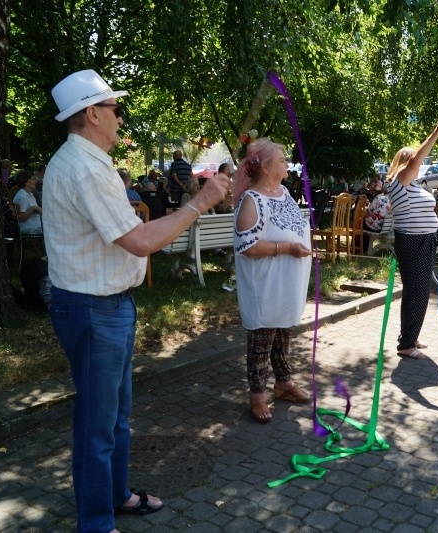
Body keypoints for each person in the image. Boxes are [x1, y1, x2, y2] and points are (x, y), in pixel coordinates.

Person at [44, 69, 228, 533]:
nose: (121, 118)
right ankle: (97, 522)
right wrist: (200, 203)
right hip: (92, 308)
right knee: (98, 426)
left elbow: (132, 235)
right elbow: (141, 241)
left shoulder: (90, 161)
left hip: (106, 305)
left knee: (115, 419)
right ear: (92, 114)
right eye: (116, 109)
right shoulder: (85, 167)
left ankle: (115, 496)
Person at [232, 138, 312, 423]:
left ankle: (284, 383)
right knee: (261, 343)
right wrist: (288, 248)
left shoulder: (283, 192)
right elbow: (247, 246)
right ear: (265, 167)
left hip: (287, 284)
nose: (287, 164)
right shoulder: (252, 200)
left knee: (282, 337)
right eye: (281, 160)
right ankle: (257, 396)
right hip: (265, 287)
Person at [385, 119, 438, 358]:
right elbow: (415, 161)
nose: (420, 165)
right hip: (413, 241)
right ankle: (406, 345)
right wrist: (436, 132)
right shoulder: (399, 180)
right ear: (407, 163)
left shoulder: (411, 185)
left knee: (418, 291)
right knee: (417, 291)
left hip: (424, 240)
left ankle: (409, 337)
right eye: (416, 162)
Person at [12, 170, 43, 234]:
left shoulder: (30, 195)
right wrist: (33, 208)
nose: (35, 181)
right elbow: (20, 218)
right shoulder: (22, 196)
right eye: (32, 179)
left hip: (36, 228)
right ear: (26, 182)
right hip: (29, 229)